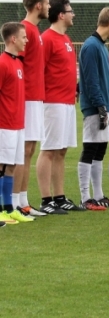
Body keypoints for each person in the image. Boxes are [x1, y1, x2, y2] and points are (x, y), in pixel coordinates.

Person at [35, 0, 81, 214]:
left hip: (67, 102)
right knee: (49, 150)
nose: (73, 15)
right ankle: (46, 200)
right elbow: (38, 71)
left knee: (61, 151)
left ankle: (60, 197)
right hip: (52, 102)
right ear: (61, 15)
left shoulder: (67, 39)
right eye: (70, 11)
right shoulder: (47, 39)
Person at [77, 7, 109, 210]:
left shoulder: (102, 47)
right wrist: (101, 106)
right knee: (90, 149)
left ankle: (99, 195)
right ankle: (86, 197)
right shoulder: (91, 46)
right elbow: (91, 80)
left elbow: (106, 81)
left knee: (100, 151)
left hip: (106, 105)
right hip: (96, 107)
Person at [13, 0, 49, 218]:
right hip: (25, 98)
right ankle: (15, 203)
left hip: (35, 97)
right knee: (22, 151)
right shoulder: (26, 30)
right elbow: (17, 65)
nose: (49, 7)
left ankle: (23, 202)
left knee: (29, 150)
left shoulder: (35, 31)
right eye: (46, 3)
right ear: (38, 5)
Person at [0, 22, 34, 224]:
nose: (26, 40)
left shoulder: (18, 63)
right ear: (13, 39)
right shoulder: (3, 63)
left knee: (11, 166)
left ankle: (9, 208)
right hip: (5, 124)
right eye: (23, 37)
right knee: (2, 166)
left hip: (17, 123)